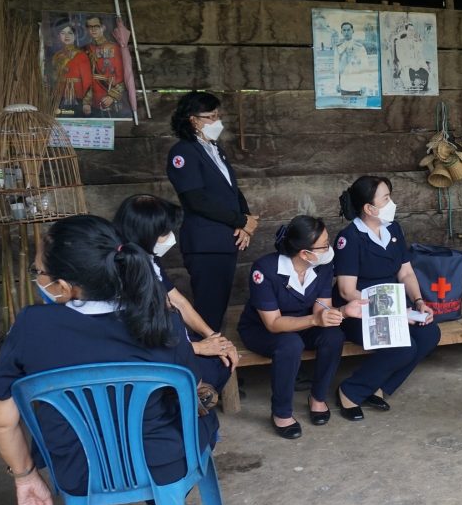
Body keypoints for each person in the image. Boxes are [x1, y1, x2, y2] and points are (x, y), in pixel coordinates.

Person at [0, 215, 218, 505]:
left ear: (64, 287)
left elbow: (0, 422)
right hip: (162, 464)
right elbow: (190, 395)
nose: (38, 277)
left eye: (38, 272)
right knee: (204, 411)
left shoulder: (30, 327)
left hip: (77, 471)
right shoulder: (163, 320)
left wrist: (25, 477)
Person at [239, 216, 364, 439]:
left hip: (304, 321)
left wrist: (343, 311)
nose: (329, 249)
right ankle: (281, 412)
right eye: (324, 246)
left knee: (333, 336)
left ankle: (317, 397)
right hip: (263, 329)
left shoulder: (322, 265)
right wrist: (315, 320)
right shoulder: (265, 270)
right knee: (290, 343)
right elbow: (274, 323)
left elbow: (322, 307)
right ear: (304, 254)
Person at [333, 176, 439, 421]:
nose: (392, 203)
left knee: (429, 333)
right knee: (404, 347)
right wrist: (396, 312)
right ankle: (350, 391)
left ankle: (378, 387)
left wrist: (419, 301)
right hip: (360, 312)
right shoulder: (349, 238)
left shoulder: (393, 229)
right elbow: (347, 291)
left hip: (394, 306)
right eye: (386, 199)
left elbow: (406, 272)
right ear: (369, 208)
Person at [113, 194, 238, 392]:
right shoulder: (120, 268)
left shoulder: (149, 258)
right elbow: (134, 341)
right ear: (147, 233)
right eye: (165, 232)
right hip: (141, 356)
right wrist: (198, 348)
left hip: (167, 343)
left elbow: (179, 301)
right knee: (206, 369)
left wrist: (215, 337)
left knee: (220, 359)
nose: (171, 237)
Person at [167, 91, 258, 339]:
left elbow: (232, 190)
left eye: (218, 115)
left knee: (218, 307)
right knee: (209, 311)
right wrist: (240, 221)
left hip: (225, 240)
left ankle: (215, 355)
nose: (217, 122)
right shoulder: (183, 152)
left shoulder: (214, 149)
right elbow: (196, 199)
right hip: (205, 244)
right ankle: (204, 357)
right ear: (193, 120)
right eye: (211, 116)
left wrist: (246, 219)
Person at [82, 15, 125, 118]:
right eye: (90, 27)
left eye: (96, 26)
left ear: (103, 27)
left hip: (110, 99)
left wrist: (112, 96)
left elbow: (121, 77)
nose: (93, 30)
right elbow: (86, 78)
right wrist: (86, 102)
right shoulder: (86, 50)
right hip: (93, 102)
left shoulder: (114, 48)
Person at [49, 20, 92, 117]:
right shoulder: (56, 56)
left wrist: (87, 102)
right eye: (63, 33)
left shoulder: (81, 55)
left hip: (77, 96)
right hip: (58, 96)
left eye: (70, 33)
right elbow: (54, 79)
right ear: (58, 36)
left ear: (75, 36)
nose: (67, 36)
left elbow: (87, 81)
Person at [336, 22, 369, 96]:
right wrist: (337, 83)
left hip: (357, 85)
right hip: (344, 84)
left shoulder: (360, 47)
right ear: (341, 32)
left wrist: (364, 84)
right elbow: (336, 67)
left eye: (348, 30)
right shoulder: (338, 48)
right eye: (344, 30)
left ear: (352, 31)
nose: (346, 32)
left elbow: (365, 66)